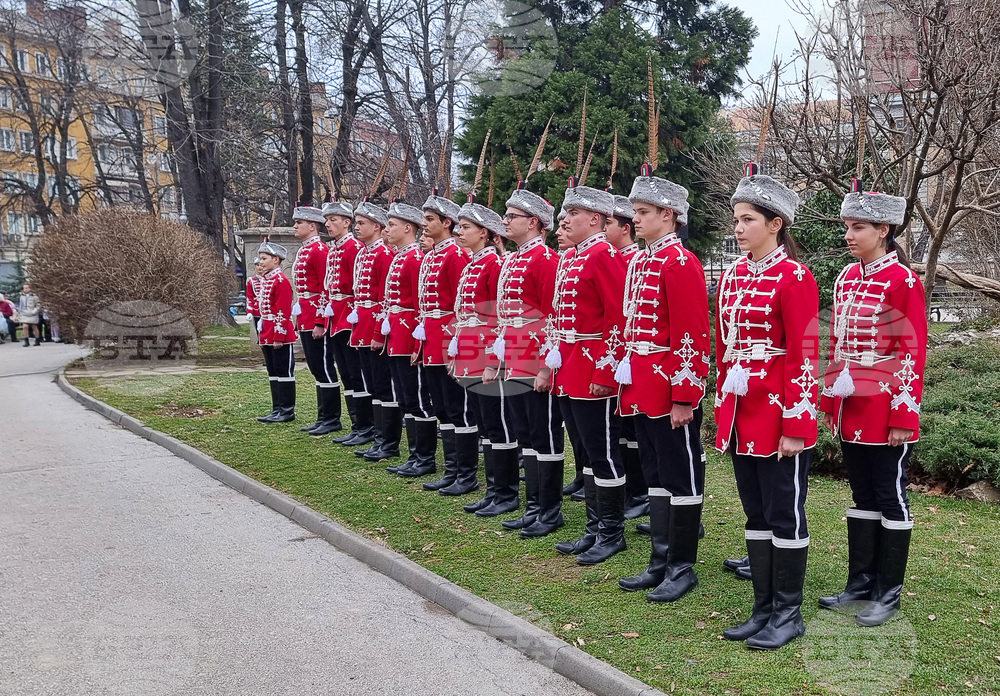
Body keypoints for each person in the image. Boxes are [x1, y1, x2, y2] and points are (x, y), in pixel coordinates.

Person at [716, 163, 819, 650]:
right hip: (741, 408)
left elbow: (804, 353)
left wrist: (797, 424)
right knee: (754, 512)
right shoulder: (734, 275)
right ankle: (762, 608)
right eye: (736, 219)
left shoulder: (795, 277)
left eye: (747, 220)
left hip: (778, 411)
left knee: (785, 514)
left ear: (775, 224)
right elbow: (725, 346)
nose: (738, 228)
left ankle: (788, 612)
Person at [818, 181, 926, 627]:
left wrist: (904, 412)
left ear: (883, 229)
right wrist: (829, 401)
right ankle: (860, 582)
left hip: (885, 403)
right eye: (846, 226)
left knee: (889, 493)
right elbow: (837, 342)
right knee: (861, 492)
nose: (848, 235)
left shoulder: (903, 280)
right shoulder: (846, 277)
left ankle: (888, 592)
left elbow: (911, 349)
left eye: (857, 227)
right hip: (851, 401)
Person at [614, 166, 710, 602]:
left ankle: (681, 566)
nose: (636, 219)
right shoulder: (640, 261)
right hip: (640, 386)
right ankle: (659, 560)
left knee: (681, 476)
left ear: (669, 215)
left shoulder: (680, 262)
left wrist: (685, 397)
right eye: (634, 211)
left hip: (670, 388)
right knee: (654, 474)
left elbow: (690, 334)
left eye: (644, 211)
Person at [547, 180, 628, 565]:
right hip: (569, 364)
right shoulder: (571, 257)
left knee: (603, 452)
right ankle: (594, 528)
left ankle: (611, 532)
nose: (565, 220)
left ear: (594, 219)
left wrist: (607, 371)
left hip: (594, 365)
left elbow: (617, 318)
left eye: (573, 214)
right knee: (585, 452)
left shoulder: (603, 255)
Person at [485, 184, 564, 530]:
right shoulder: (514, 258)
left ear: (533, 222)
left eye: (511, 216)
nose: (505, 221)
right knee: (525, 433)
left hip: (536, 356)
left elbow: (553, 315)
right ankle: (534, 506)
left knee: (544, 432)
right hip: (515, 353)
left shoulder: (545, 259)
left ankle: (549, 510)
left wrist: (546, 366)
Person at [413, 192, 479, 496]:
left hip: (449, 340)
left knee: (458, 408)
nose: (424, 225)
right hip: (430, 338)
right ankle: (452, 469)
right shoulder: (432, 255)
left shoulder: (454, 254)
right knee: (440, 405)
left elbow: (460, 305)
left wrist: (456, 344)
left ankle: (466, 474)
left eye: (430, 219)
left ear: (446, 222)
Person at [451, 198, 512, 513]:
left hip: (486, 352)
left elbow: (496, 317)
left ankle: (506, 493)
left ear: (485, 233)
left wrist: (492, 361)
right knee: (484, 424)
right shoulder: (473, 262)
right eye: (460, 226)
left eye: (466, 227)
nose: (459, 232)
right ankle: (493, 490)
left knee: (496, 422)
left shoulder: (492, 265)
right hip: (468, 349)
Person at [376, 201, 434, 468]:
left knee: (417, 397)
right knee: (404, 397)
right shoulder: (400, 256)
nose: (387, 230)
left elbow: (421, 303)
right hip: (396, 333)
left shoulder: (414, 259)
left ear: (408, 228)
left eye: (391, 225)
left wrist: (416, 343)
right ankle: (414, 454)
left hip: (409, 333)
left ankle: (424, 457)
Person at [605, 194, 648, 521]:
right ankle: (637, 491)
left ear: (626, 228)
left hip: (645, 363)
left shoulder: (631, 259)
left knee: (633, 433)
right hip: (631, 361)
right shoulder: (634, 261)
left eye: (609, 222)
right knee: (625, 432)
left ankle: (640, 492)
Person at [322, 199, 376, 447]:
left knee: (357, 374)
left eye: (334, 220)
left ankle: (366, 426)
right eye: (327, 219)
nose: (328, 224)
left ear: (346, 222)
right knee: (346, 373)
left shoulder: (353, 247)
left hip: (350, 315)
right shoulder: (334, 248)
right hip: (336, 315)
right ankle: (357, 424)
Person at [349, 200, 397, 460]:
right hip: (363, 322)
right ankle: (378, 438)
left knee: (382, 384)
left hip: (376, 324)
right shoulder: (364, 252)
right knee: (372, 385)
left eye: (361, 223)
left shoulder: (383, 254)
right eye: (356, 223)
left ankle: (387, 442)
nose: (357, 228)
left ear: (376, 226)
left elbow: (384, 298)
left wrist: (379, 332)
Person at [290, 206, 341, 436]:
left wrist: (321, 320)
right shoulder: (305, 250)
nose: (295, 227)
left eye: (298, 223)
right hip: (305, 314)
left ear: (312, 226)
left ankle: (331, 418)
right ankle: (323, 416)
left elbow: (324, 287)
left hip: (316, 315)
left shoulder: (319, 250)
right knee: (315, 367)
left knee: (324, 366)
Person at [255, 240, 297, 423]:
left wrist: (279, 336)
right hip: (267, 331)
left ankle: (287, 410)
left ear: (276, 260)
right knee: (273, 371)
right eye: (260, 258)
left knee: (283, 371)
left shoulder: (280, 281)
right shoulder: (267, 279)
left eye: (264, 258)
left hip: (279, 333)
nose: (260, 262)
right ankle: (277, 408)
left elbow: (283, 311)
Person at [247, 257, 264, 346]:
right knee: (260, 336)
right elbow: (249, 297)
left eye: (261, 265)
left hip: (268, 312)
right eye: (257, 265)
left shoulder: (269, 279)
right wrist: (250, 311)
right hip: (257, 312)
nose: (259, 267)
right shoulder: (251, 281)